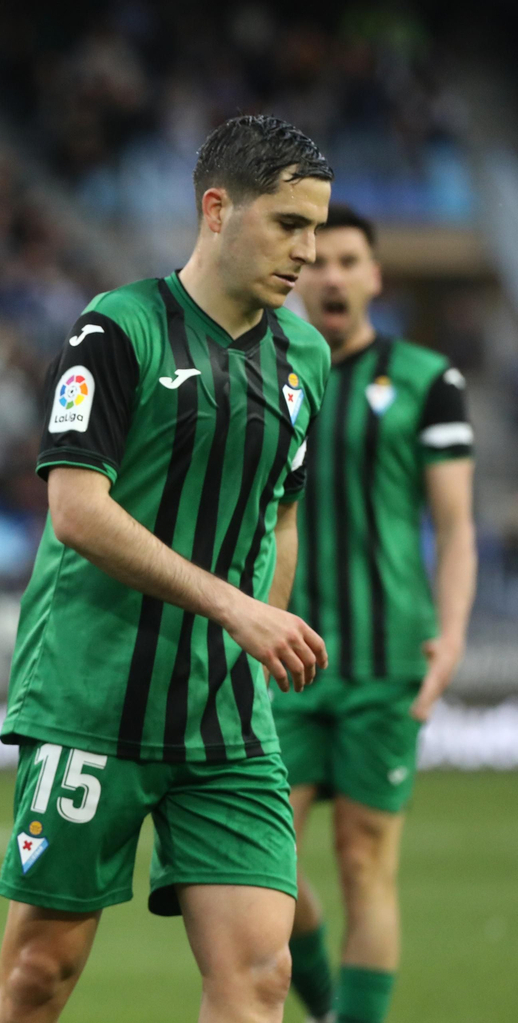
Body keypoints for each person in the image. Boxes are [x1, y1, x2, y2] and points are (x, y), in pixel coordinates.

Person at [0, 115, 334, 1023]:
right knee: (40, 975)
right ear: (217, 209)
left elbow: (282, 512)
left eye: (317, 228)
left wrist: (263, 634)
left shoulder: (307, 359)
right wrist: (237, 609)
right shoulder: (119, 328)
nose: (309, 252)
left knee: (260, 975)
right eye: (289, 224)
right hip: (95, 697)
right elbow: (77, 509)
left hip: (225, 719)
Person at [278, 205, 477, 1023]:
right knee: (261, 864)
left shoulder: (430, 382)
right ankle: (328, 1006)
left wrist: (453, 636)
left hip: (383, 656)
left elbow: (456, 525)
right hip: (279, 654)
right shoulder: (267, 372)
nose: (331, 274)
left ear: (374, 276)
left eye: (348, 260)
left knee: (364, 862)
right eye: (317, 260)